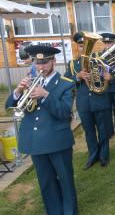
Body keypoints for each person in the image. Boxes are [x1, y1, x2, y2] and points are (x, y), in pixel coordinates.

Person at [6, 45, 78, 215]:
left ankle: (69, 212)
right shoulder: (30, 81)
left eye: (45, 62)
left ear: (54, 61)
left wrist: (45, 95)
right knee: (46, 181)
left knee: (65, 180)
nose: (40, 67)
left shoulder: (65, 84)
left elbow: (64, 112)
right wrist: (18, 90)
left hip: (57, 140)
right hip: (36, 141)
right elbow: (9, 107)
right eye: (37, 63)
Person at [65, 32, 111, 169]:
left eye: (85, 45)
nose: (83, 48)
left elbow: (110, 71)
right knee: (89, 132)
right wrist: (77, 76)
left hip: (100, 100)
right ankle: (93, 156)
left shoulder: (99, 58)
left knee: (103, 131)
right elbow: (66, 81)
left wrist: (109, 76)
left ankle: (104, 156)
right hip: (84, 104)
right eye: (80, 45)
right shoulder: (72, 64)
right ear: (77, 46)